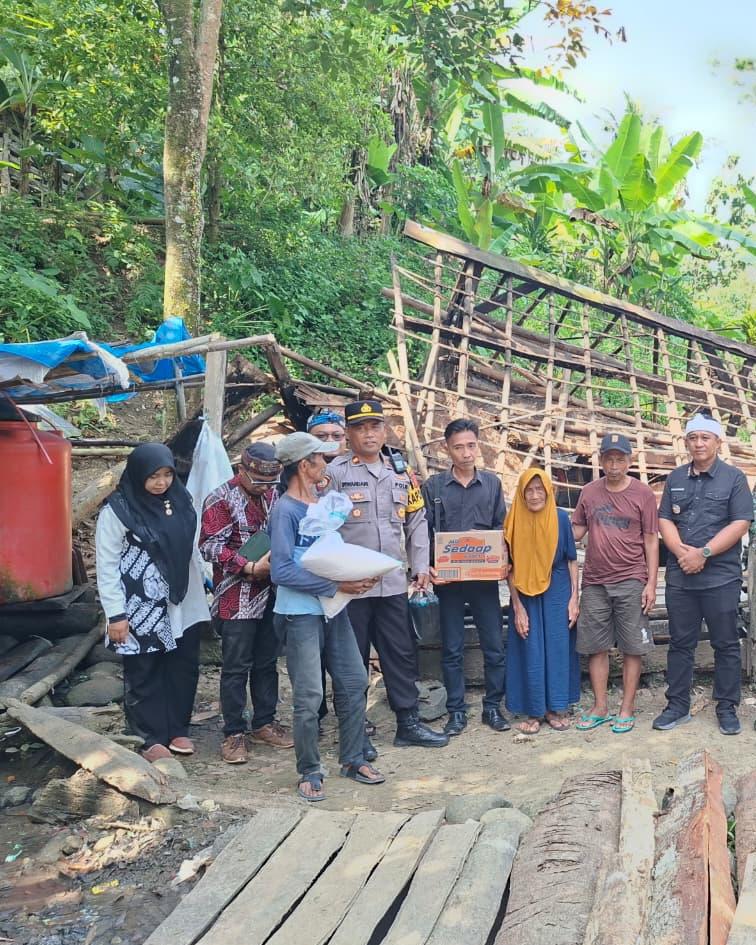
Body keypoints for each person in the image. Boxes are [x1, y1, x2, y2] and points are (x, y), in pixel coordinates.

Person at [269, 431, 385, 801]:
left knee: (354, 681)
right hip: (301, 613)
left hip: (334, 610)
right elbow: (281, 571)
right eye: (320, 458)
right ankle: (309, 769)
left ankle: (353, 757)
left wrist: (354, 574)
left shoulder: (321, 502)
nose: (326, 464)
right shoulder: (285, 509)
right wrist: (337, 587)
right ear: (305, 465)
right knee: (309, 695)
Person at [328, 400, 448, 749]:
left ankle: (408, 724)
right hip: (351, 588)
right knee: (351, 659)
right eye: (361, 427)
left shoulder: (400, 472)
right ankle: (354, 729)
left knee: (401, 653)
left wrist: (421, 566)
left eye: (375, 426)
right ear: (349, 433)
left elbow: (416, 521)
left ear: (384, 430)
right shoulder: (335, 474)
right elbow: (323, 529)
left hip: (393, 585)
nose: (369, 433)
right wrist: (335, 577)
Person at [95, 443, 210, 762]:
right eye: (153, 476)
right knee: (145, 668)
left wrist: (204, 576)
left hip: (183, 599)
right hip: (139, 605)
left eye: (167, 475)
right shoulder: (118, 510)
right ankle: (149, 736)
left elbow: (192, 545)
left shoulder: (181, 500)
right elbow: (106, 565)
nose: (161, 483)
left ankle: (177, 728)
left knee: (183, 665)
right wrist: (115, 615)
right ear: (136, 475)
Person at [654, 412, 753, 735]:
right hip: (682, 578)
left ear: (717, 442)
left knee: (725, 643)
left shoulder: (734, 479)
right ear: (687, 442)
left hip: (720, 579)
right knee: (680, 643)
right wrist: (681, 551)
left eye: (704, 438)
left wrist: (704, 552)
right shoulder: (676, 478)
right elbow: (665, 519)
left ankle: (726, 707)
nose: (698, 443)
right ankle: (677, 705)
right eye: (693, 438)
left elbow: (740, 522)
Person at [199, 443, 293, 765]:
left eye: (271, 483)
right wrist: (247, 566)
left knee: (267, 660)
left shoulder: (273, 495)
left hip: (272, 592)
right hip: (236, 594)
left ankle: (265, 722)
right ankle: (233, 732)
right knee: (236, 665)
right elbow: (210, 547)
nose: (265, 488)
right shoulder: (220, 498)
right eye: (259, 482)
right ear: (241, 471)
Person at [422, 418, 510, 736]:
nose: (466, 453)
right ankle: (456, 711)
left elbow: (502, 529)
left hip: (484, 579)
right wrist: (427, 566)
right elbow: (423, 531)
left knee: (494, 644)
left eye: (471, 445)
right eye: (458, 447)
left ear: (478, 446)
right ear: (448, 449)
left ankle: (492, 707)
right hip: (448, 582)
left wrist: (503, 561)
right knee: (452, 647)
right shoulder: (433, 487)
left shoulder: (492, 484)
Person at [572, 434, 659, 734]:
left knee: (632, 647)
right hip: (595, 579)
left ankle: (627, 707)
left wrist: (651, 583)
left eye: (620, 459)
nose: (613, 464)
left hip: (631, 578)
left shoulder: (643, 494)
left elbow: (650, 540)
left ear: (629, 461)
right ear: (600, 459)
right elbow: (577, 530)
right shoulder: (589, 492)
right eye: (608, 458)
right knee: (596, 646)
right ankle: (600, 706)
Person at [504, 469, 580, 733]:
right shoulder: (513, 521)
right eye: (529, 490)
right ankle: (535, 712)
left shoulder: (560, 518)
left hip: (557, 590)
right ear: (522, 493)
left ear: (549, 491)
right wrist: (517, 607)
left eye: (540, 490)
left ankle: (555, 708)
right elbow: (509, 568)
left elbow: (572, 560)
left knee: (558, 648)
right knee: (531, 648)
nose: (535, 495)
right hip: (526, 593)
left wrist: (574, 599)